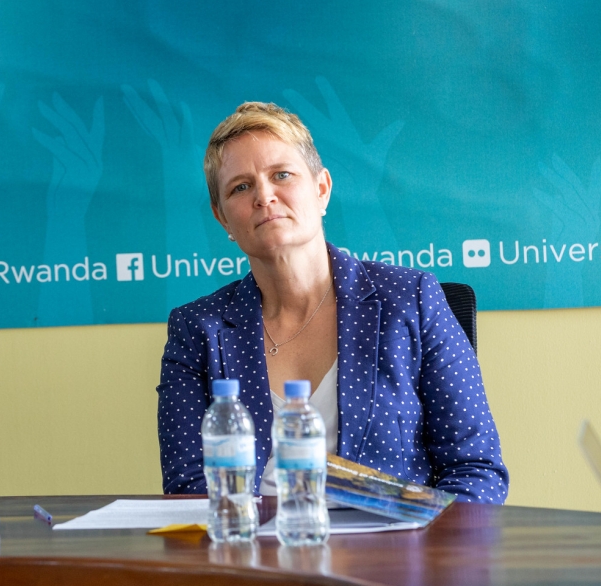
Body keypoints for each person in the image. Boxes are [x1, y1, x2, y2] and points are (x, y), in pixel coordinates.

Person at [157, 102, 508, 503]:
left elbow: (475, 470)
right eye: (241, 186)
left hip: (394, 554)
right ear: (223, 219)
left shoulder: (411, 300)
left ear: (321, 189)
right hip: (251, 555)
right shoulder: (196, 329)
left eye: (281, 175)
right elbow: (188, 488)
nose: (264, 196)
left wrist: (428, 557)